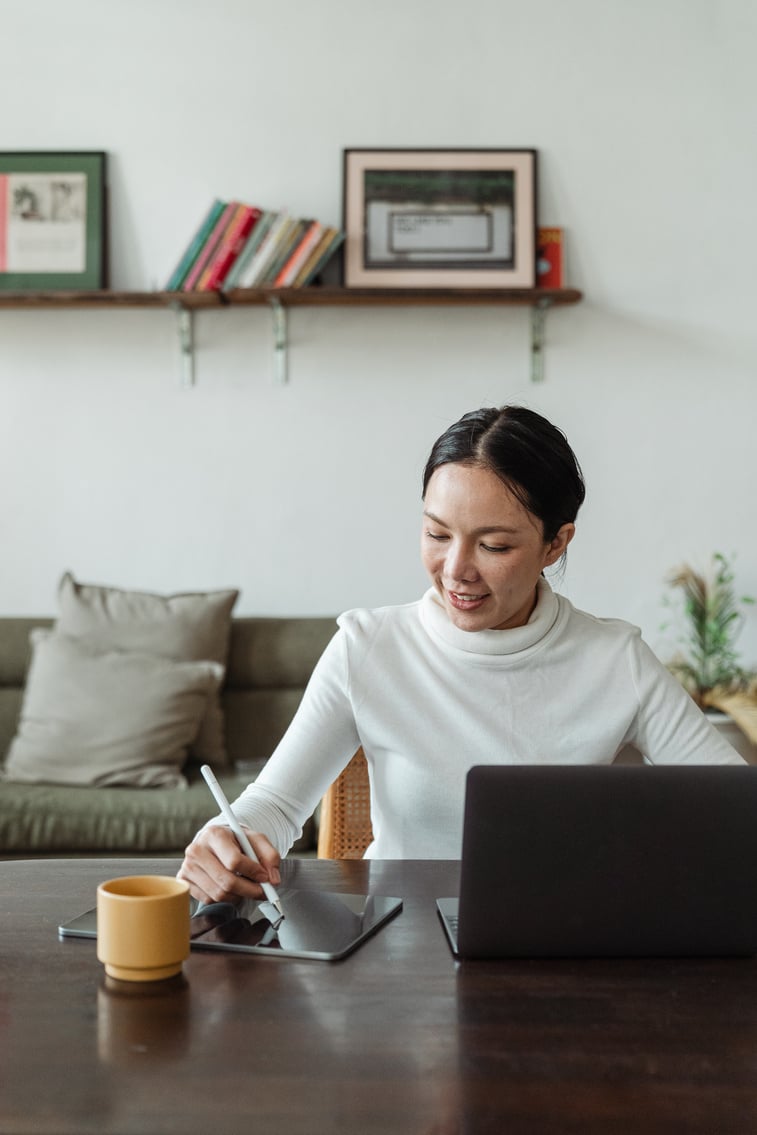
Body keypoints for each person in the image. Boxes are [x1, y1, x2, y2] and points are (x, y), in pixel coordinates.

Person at [178, 405, 743, 904]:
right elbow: (274, 806)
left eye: (494, 545)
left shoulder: (615, 659)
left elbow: (735, 810)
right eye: (437, 533)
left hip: (567, 954)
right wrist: (225, 839)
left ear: (556, 543)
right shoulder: (367, 648)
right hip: (401, 959)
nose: (456, 570)